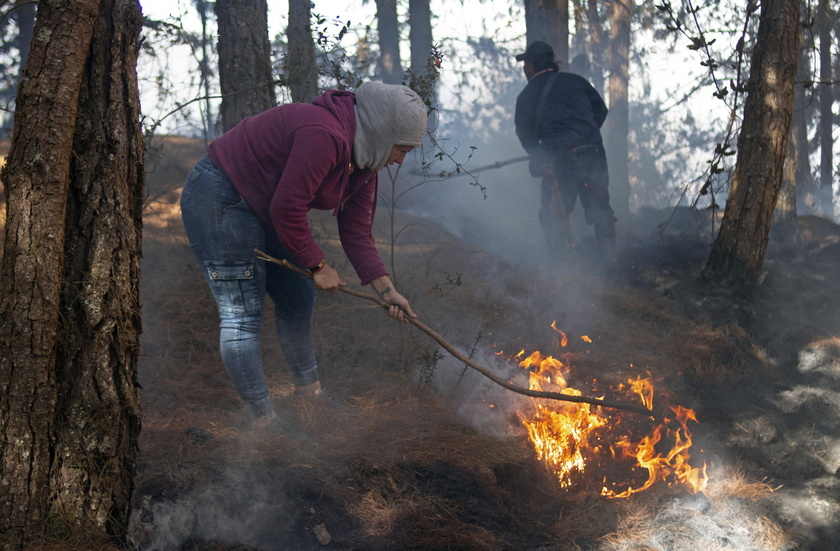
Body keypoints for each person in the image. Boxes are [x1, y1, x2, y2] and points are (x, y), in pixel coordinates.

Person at [180, 82, 427, 431]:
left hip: (262, 206)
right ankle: (263, 421)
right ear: (382, 132)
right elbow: (287, 208)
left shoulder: (364, 162)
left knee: (298, 297)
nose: (401, 159)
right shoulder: (322, 132)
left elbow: (356, 232)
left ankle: (311, 398)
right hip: (220, 196)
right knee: (242, 314)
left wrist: (387, 291)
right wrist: (318, 265)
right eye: (402, 149)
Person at [513, 41, 616, 263]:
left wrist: (540, 155)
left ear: (531, 66)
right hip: (593, 154)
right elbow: (600, 109)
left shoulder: (526, 96)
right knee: (601, 210)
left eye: (525, 64)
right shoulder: (576, 81)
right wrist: (584, 137)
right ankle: (610, 266)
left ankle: (561, 269)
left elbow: (525, 135)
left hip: (561, 162)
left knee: (553, 214)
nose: (524, 69)